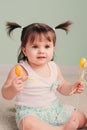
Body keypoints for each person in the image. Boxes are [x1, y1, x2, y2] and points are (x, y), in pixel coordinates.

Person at [1, 21, 87, 130]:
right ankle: (60, 128)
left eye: (47, 46)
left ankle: (53, 126)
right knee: (27, 124)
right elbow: (5, 94)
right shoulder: (20, 70)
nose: (41, 51)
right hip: (30, 112)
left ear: (53, 49)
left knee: (81, 117)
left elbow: (62, 86)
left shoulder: (53, 67)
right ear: (25, 50)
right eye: (35, 46)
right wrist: (12, 88)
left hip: (54, 109)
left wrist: (73, 87)